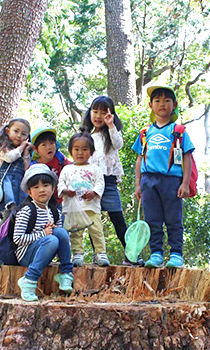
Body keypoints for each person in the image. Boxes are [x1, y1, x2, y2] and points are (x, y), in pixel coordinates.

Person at [132, 85, 195, 268]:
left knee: (174, 219)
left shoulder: (179, 131)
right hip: (148, 181)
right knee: (152, 219)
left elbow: (187, 156)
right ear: (151, 105)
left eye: (167, 101)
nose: (162, 104)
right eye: (157, 101)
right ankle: (156, 254)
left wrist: (184, 183)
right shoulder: (146, 133)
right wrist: (138, 184)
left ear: (174, 105)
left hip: (172, 181)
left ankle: (176, 255)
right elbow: (139, 158)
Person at [82, 96, 143, 266]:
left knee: (118, 220)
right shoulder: (86, 136)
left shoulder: (111, 133)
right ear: (90, 113)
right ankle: (98, 254)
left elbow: (119, 144)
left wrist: (111, 125)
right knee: (93, 222)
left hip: (108, 183)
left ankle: (131, 255)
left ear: (110, 115)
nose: (98, 116)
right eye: (95, 111)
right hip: (91, 183)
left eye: (103, 112)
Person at [14, 163, 74, 301]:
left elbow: (59, 238)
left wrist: (52, 230)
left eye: (46, 185)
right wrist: (43, 234)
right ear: (29, 192)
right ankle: (28, 281)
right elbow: (17, 238)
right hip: (26, 255)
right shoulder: (27, 211)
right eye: (36, 187)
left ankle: (65, 273)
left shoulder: (55, 212)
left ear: (53, 188)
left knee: (61, 233)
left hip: (44, 253)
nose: (41, 190)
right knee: (52, 239)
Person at [58, 128, 109, 267]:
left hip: (91, 208)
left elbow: (100, 183)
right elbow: (60, 183)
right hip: (73, 209)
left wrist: (94, 193)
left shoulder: (95, 169)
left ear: (91, 152)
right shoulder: (67, 169)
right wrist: (66, 191)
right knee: (75, 233)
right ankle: (78, 254)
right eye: (76, 149)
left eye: (85, 149)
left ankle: (100, 253)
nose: (80, 153)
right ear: (70, 151)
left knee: (96, 231)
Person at [0, 118, 32, 221]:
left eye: (23, 134)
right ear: (7, 131)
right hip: (6, 186)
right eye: (16, 131)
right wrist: (21, 147)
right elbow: (9, 157)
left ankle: (11, 236)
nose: (19, 136)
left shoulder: (23, 151)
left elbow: (27, 168)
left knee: (18, 216)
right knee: (8, 215)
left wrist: (26, 152)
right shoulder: (0, 147)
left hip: (19, 187)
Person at [30, 126, 71, 214]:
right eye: (44, 145)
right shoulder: (34, 167)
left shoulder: (59, 157)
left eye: (52, 143)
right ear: (35, 149)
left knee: (60, 223)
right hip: (42, 204)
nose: (49, 147)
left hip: (59, 201)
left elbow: (71, 167)